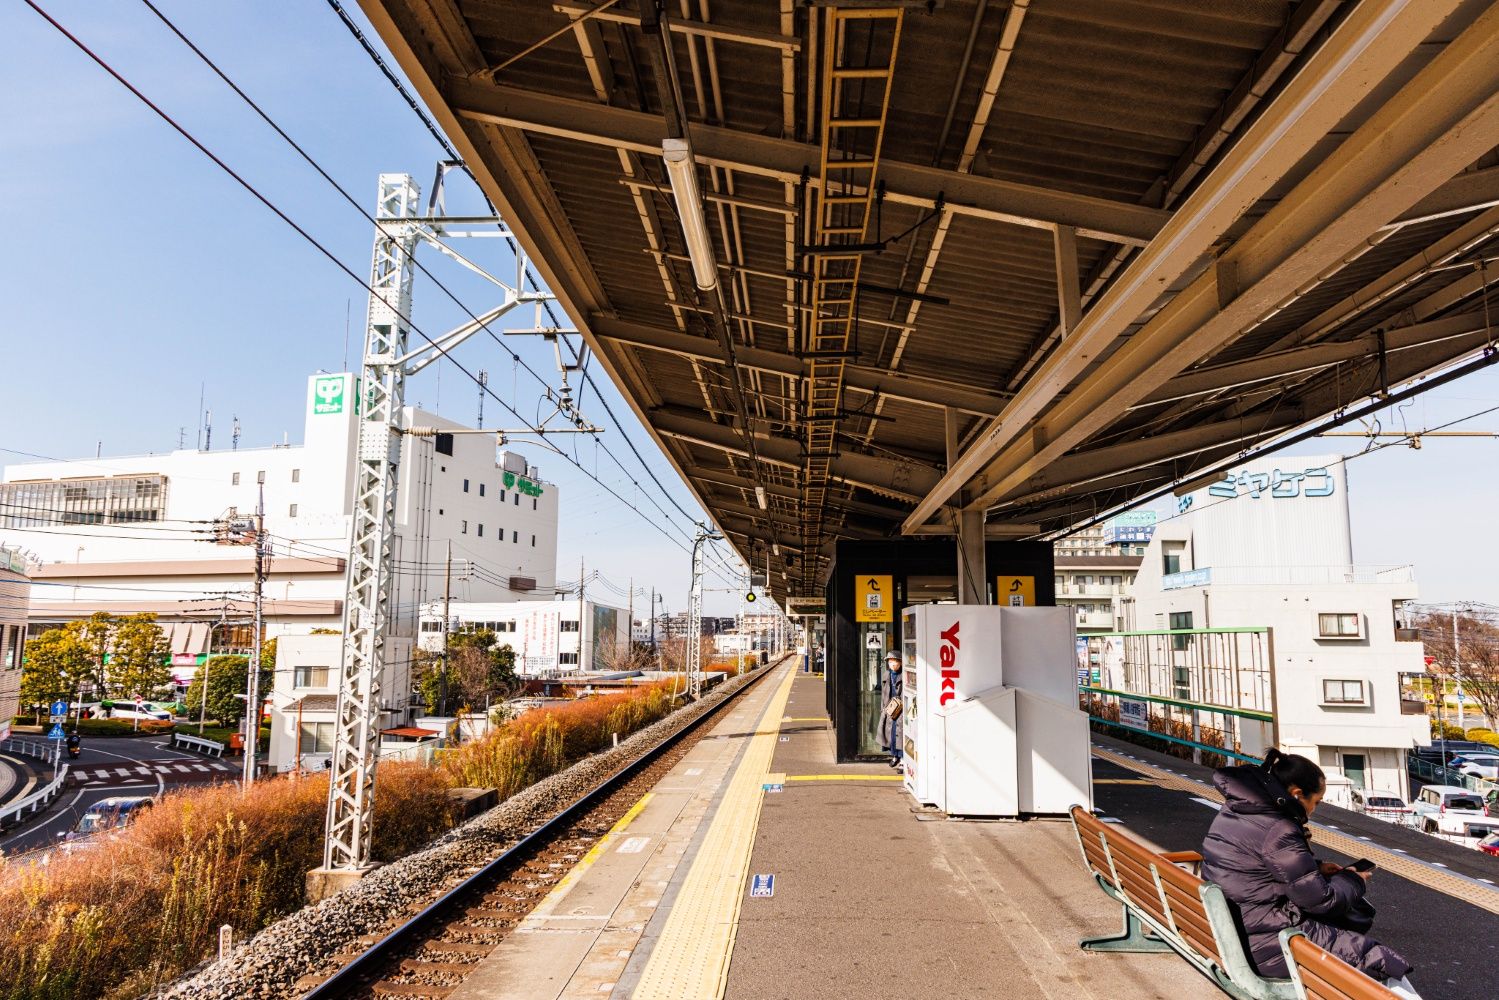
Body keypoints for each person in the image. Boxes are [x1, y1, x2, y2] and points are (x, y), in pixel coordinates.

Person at [1202, 749, 1419, 995]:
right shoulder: (1279, 828)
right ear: (1296, 794)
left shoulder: (1238, 809)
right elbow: (1322, 901)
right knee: (1376, 958)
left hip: (1237, 926)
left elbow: (1255, 863)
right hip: (1265, 944)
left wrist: (1314, 868)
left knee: (1353, 942)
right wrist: (1353, 879)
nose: (1314, 810)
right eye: (1315, 802)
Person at [881, 651, 903, 767]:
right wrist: (883, 709)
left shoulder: (904, 674)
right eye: (890, 661)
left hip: (901, 708)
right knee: (891, 734)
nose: (892, 664)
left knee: (901, 733)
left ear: (900, 662)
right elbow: (884, 694)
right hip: (890, 708)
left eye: (895, 661)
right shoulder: (887, 674)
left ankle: (903, 760)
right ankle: (895, 755)